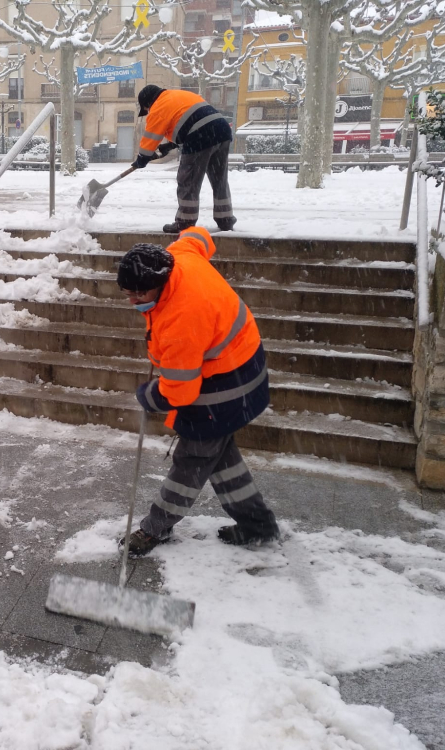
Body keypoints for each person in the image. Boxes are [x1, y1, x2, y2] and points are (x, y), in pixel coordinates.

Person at [116, 230, 279, 555]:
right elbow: (198, 236)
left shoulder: (182, 320)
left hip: (223, 387)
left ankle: (154, 530)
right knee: (220, 458)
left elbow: (179, 393)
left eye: (139, 293)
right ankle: (258, 525)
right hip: (241, 364)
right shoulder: (182, 255)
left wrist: (149, 395)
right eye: (127, 292)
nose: (132, 300)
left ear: (162, 281)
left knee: (191, 461)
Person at [133, 84, 236, 234]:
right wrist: (170, 145)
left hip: (200, 136)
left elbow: (151, 137)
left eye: (146, 109)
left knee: (188, 179)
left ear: (148, 102)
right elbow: (189, 120)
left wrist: (142, 158)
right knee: (219, 178)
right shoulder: (179, 95)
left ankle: (185, 222)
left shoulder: (159, 106)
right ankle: (225, 219)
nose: (148, 112)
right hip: (222, 130)